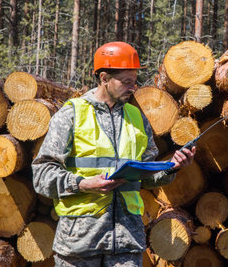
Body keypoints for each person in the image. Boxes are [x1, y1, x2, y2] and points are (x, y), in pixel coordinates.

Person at [32, 41, 195, 267]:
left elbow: (147, 174)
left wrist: (171, 167)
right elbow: (42, 175)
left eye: (135, 81)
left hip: (127, 243)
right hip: (79, 243)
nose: (133, 88)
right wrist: (83, 184)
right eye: (126, 82)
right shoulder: (72, 114)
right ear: (104, 78)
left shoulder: (136, 118)